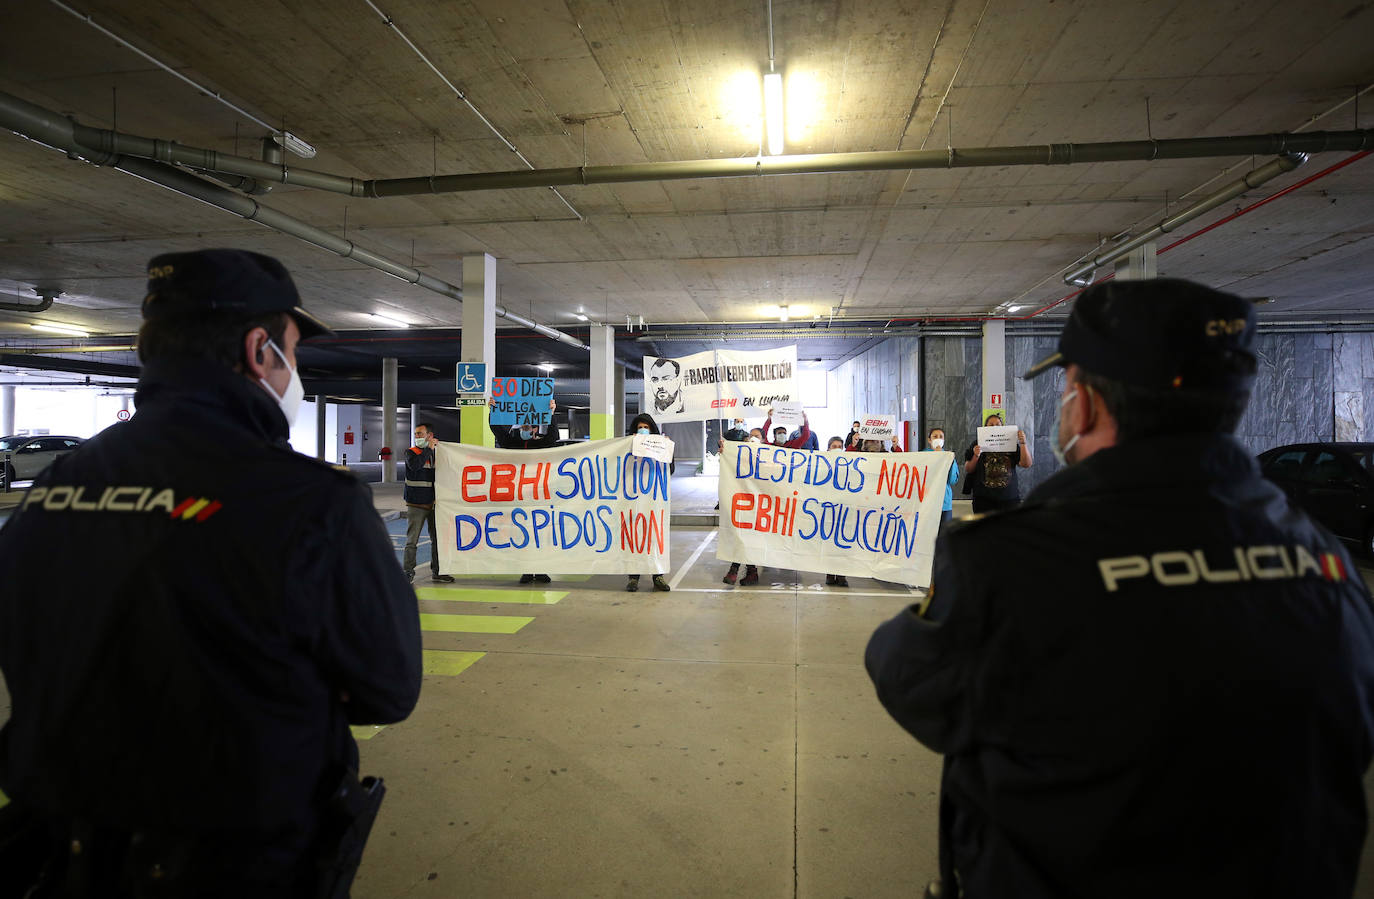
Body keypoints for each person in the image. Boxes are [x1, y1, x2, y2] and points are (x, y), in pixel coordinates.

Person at [865, 278, 1374, 899]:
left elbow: (906, 676)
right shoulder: (1325, 562)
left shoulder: (1011, 563)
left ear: (1087, 403)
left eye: (1068, 385)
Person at [0, 249, 422, 897]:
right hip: (236, 855)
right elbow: (388, 687)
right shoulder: (311, 503)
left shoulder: (58, 485)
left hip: (61, 848)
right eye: (293, 352)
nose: (295, 372)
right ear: (261, 350)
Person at [490, 397, 559, 584]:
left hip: (539, 498)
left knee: (541, 535)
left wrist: (552, 414)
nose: (525, 430)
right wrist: (493, 411)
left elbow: (554, 437)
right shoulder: (513, 444)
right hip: (521, 498)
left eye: (528, 427)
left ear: (536, 429)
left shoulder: (542, 444)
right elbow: (498, 432)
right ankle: (527, 570)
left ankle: (541, 570)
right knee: (524, 535)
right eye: (523, 428)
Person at [403, 421, 455, 584]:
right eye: (416, 434)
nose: (417, 437)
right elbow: (415, 466)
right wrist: (428, 449)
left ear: (430, 436)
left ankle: (438, 571)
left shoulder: (438, 453)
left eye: (420, 434)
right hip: (416, 505)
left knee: (438, 541)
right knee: (412, 541)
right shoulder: (411, 452)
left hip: (434, 505)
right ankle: (408, 572)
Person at [626, 412, 673, 592]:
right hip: (633, 499)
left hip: (654, 500)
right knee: (634, 536)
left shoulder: (660, 446)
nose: (643, 430)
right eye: (640, 428)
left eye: (646, 427)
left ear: (652, 430)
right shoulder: (627, 446)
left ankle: (657, 575)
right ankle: (633, 577)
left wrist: (667, 448)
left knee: (655, 536)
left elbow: (671, 470)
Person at [962, 412, 1031, 513]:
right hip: (983, 499)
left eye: (998, 424)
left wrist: (1023, 443)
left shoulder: (1011, 444)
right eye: (991, 425)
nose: (994, 427)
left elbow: (1026, 464)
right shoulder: (977, 444)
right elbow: (968, 469)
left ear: (1003, 427)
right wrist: (976, 455)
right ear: (985, 427)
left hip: (1009, 498)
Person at [919, 427, 959, 526]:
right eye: (935, 436)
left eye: (941, 437)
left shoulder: (949, 456)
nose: (938, 439)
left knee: (944, 533)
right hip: (927, 502)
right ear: (929, 440)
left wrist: (951, 461)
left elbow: (952, 480)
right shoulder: (922, 456)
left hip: (944, 502)